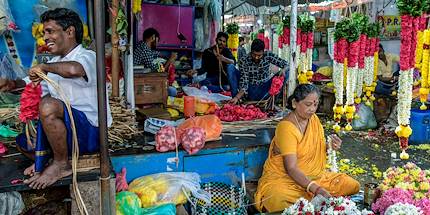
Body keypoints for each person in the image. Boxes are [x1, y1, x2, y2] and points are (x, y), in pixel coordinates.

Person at [15, 8, 112, 189]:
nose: (45, 37)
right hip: (70, 132)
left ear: (70, 32)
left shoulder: (88, 57)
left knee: (48, 105)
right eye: (44, 32)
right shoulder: (52, 65)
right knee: (24, 142)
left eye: (50, 31)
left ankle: (61, 164)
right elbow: (25, 83)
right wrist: (9, 84)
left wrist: (44, 66)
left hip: (90, 133)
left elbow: (74, 70)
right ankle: (51, 160)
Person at [254, 84, 360, 212]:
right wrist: (316, 189)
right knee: (276, 199)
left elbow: (314, 149)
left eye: (315, 105)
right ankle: (312, 200)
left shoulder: (313, 120)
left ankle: (310, 201)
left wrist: (330, 146)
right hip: (286, 180)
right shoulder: (286, 127)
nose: (312, 109)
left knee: (353, 185)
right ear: (294, 103)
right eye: (308, 104)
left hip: (315, 178)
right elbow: (291, 168)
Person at [230, 39, 288, 104]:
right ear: (251, 51)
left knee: (287, 71)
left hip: (265, 88)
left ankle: (273, 100)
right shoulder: (244, 60)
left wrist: (283, 70)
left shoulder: (268, 55)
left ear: (263, 52)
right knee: (230, 67)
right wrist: (237, 97)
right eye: (254, 55)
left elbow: (286, 64)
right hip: (251, 90)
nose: (256, 58)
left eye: (259, 55)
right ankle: (235, 100)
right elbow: (244, 82)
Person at [199, 32, 240, 96]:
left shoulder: (227, 51)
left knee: (204, 87)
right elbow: (203, 69)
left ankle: (223, 87)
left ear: (226, 43)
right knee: (203, 84)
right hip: (211, 78)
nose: (222, 43)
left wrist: (223, 59)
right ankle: (225, 88)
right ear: (216, 40)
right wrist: (195, 71)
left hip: (224, 79)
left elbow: (233, 62)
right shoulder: (207, 52)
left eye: (224, 41)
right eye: (220, 40)